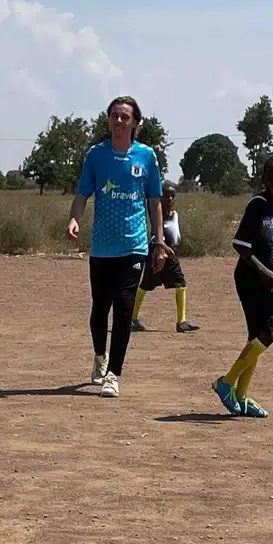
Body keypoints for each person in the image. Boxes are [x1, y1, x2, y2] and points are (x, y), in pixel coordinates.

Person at [67, 96, 167, 399]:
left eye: (125, 117)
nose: (119, 121)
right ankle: (100, 357)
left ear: (135, 122)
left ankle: (114, 374)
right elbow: (83, 194)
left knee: (124, 309)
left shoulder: (146, 157)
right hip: (101, 247)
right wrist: (74, 219)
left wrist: (159, 242)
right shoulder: (96, 156)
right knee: (101, 308)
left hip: (134, 245)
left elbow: (154, 201)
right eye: (114, 116)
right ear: (108, 120)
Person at [214, 156, 273, 418]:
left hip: (272, 283)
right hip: (250, 279)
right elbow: (240, 246)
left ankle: (241, 396)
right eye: (271, 176)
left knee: (256, 338)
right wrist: (263, 272)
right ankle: (226, 382)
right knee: (267, 335)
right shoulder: (257, 206)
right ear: (263, 179)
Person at [131, 181, 199, 333]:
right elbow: (154, 235)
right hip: (156, 253)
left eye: (172, 196)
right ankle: (132, 318)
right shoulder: (155, 214)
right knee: (146, 285)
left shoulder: (174, 215)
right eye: (166, 196)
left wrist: (174, 247)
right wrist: (162, 250)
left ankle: (181, 321)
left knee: (178, 283)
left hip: (169, 255)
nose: (169, 199)